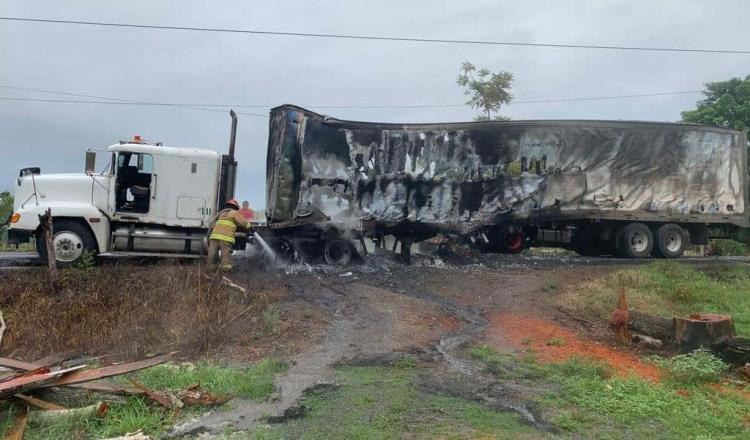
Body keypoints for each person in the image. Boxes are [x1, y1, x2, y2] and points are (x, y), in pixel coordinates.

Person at [206, 199, 251, 271]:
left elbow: (213, 224)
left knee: (211, 256)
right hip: (225, 239)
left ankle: (210, 272)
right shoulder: (234, 213)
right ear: (235, 207)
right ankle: (226, 273)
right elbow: (243, 222)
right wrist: (249, 227)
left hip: (214, 238)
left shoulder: (221, 214)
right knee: (226, 258)